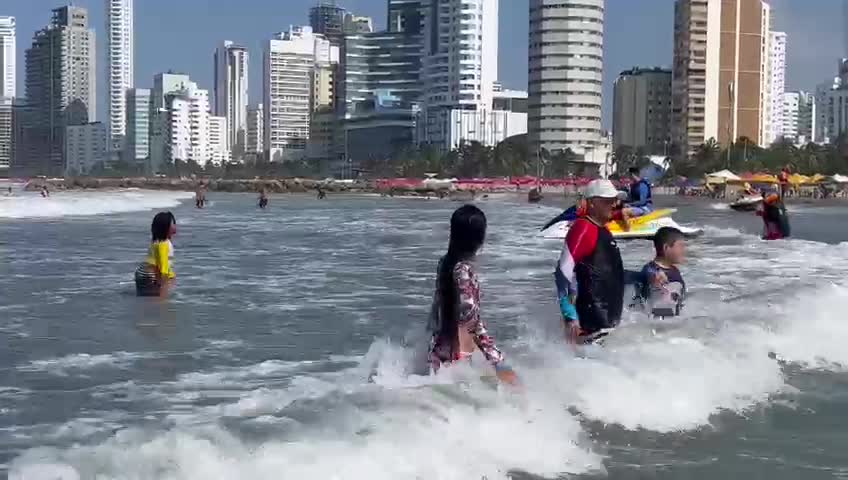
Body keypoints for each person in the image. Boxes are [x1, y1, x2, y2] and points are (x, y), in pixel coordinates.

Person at [428, 205, 518, 385]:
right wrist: (498, 362)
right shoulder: (463, 271)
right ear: (479, 238)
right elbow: (471, 322)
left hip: (438, 352)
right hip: (457, 359)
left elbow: (437, 312)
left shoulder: (445, 264)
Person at [555, 179, 625, 344]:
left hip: (607, 321)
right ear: (592, 203)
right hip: (591, 324)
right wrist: (569, 315)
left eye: (615, 200)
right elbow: (562, 273)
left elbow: (609, 272)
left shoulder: (601, 228)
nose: (614, 205)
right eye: (608, 201)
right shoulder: (583, 228)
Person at [633, 227, 687, 318]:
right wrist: (656, 274)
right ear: (666, 248)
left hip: (672, 319)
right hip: (658, 321)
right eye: (680, 246)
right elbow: (649, 274)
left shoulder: (674, 270)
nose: (684, 250)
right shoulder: (651, 269)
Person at [134, 212, 177, 297]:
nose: (175, 226)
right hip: (153, 273)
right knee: (159, 298)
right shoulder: (164, 244)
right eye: (172, 224)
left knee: (146, 297)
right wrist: (163, 290)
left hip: (142, 272)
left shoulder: (155, 242)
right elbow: (163, 266)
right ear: (165, 227)